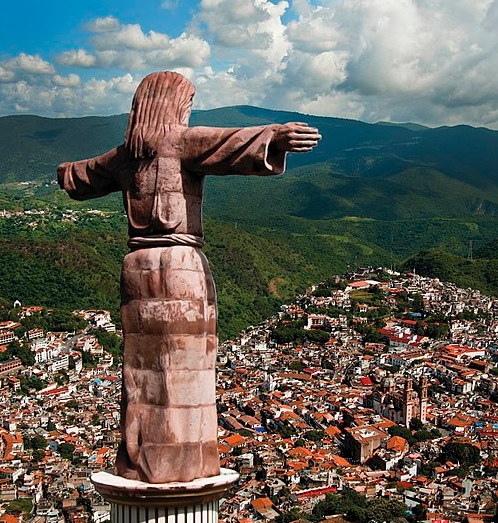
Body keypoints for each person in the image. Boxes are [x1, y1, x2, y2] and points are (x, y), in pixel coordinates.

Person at [57, 71, 320, 483]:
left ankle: (141, 459)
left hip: (137, 270)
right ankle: (185, 462)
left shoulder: (125, 154)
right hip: (181, 265)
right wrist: (275, 136)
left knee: (141, 373)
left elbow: (80, 176)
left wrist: (65, 172)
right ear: (173, 104)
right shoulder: (178, 141)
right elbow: (231, 143)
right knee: (186, 373)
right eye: (187, 103)